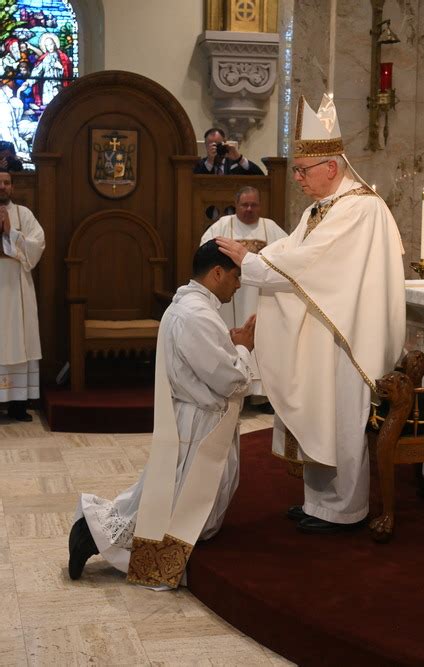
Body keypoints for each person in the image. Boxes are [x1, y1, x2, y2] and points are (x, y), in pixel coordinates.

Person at [217, 94, 406, 534]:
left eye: (303, 171)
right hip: (321, 325)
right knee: (319, 416)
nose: (297, 178)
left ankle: (346, 509)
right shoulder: (322, 207)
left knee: (339, 416)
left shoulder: (360, 207)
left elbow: (311, 262)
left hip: (345, 333)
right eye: (298, 170)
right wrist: (255, 252)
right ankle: (320, 504)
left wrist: (249, 263)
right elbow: (292, 250)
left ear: (332, 169)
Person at [68, 240, 255, 586]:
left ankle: (94, 531)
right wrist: (243, 347)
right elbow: (230, 381)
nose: (239, 284)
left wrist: (229, 346)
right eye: (236, 275)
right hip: (201, 423)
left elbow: (206, 362)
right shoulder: (196, 315)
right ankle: (91, 533)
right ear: (217, 273)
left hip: (193, 416)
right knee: (171, 510)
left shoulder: (188, 306)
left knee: (168, 498)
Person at [201, 186, 287, 412]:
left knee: (262, 338)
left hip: (260, 299)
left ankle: (260, 395)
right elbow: (206, 250)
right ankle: (234, 391)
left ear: (260, 205)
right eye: (244, 205)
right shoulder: (222, 226)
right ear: (236, 205)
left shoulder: (271, 228)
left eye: (254, 205)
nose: (249, 209)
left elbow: (288, 256)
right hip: (230, 299)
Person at [0, 168, 45, 421]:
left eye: (7, 183)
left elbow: (37, 244)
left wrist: (10, 233)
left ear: (12, 187)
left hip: (17, 289)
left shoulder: (24, 214)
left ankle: (18, 405)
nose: (3, 187)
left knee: (19, 341)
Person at [193, 127, 264, 175]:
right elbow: (192, 181)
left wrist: (240, 159)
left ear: (224, 142)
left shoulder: (235, 163)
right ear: (205, 145)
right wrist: (209, 162)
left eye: (218, 144)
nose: (215, 148)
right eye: (211, 145)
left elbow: (260, 176)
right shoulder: (200, 165)